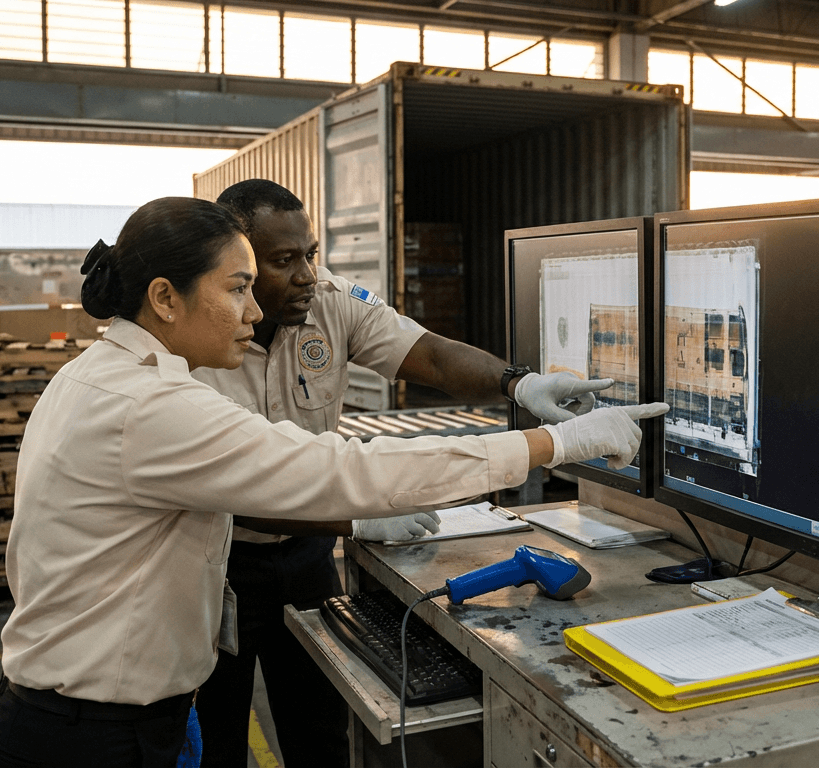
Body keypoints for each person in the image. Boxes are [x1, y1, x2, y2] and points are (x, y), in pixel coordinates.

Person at [0, 195, 665, 767]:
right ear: (164, 297)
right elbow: (339, 471)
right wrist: (554, 444)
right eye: (238, 288)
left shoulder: (102, 375)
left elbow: (420, 356)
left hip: (97, 714)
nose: (253, 311)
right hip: (94, 736)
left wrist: (519, 384)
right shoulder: (149, 407)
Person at [191, 179, 620, 767]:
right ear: (237, 263)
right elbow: (228, 491)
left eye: (310, 253)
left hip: (307, 558)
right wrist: (354, 523)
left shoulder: (332, 302)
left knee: (321, 730)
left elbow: (433, 356)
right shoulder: (194, 338)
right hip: (221, 561)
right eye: (283, 260)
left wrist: (519, 384)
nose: (307, 275)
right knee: (214, 734)